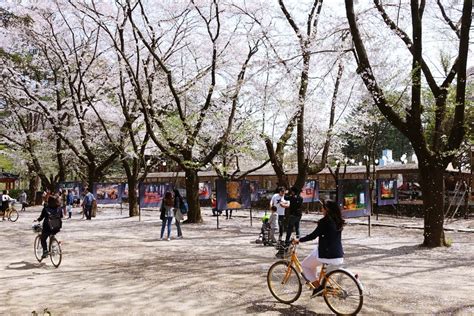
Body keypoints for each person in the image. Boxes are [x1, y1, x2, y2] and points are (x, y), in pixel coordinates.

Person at [292, 200, 345, 297]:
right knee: (313, 258)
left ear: (327, 209)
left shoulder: (324, 222)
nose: (321, 209)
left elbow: (312, 236)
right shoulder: (338, 221)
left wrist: (298, 240)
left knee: (305, 266)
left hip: (327, 255)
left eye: (323, 207)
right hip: (338, 254)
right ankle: (317, 283)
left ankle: (318, 287)